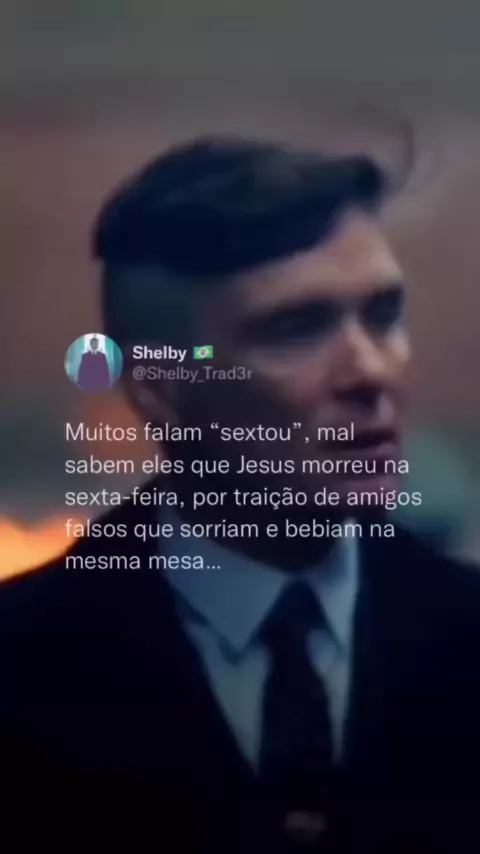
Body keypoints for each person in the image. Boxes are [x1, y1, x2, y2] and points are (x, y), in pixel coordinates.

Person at [1, 136, 480, 853]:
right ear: (161, 388)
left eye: (383, 315)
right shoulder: (23, 664)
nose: (371, 371)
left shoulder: (465, 632)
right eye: (296, 328)